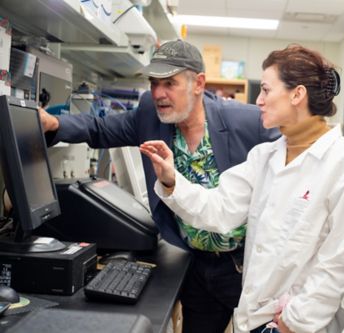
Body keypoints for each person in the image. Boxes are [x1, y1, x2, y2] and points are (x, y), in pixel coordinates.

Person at [38, 39, 280, 333]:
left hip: (244, 265)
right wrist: (53, 124)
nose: (158, 93)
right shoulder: (149, 115)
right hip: (196, 265)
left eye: (169, 83)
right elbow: (99, 129)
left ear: (198, 83)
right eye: (153, 83)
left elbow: (292, 164)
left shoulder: (246, 120)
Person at [140, 44, 344, 333]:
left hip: (296, 325)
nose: (259, 101)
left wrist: (295, 322)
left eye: (266, 90)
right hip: (253, 316)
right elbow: (220, 211)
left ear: (297, 94)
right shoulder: (265, 156)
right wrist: (171, 180)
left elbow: (339, 260)